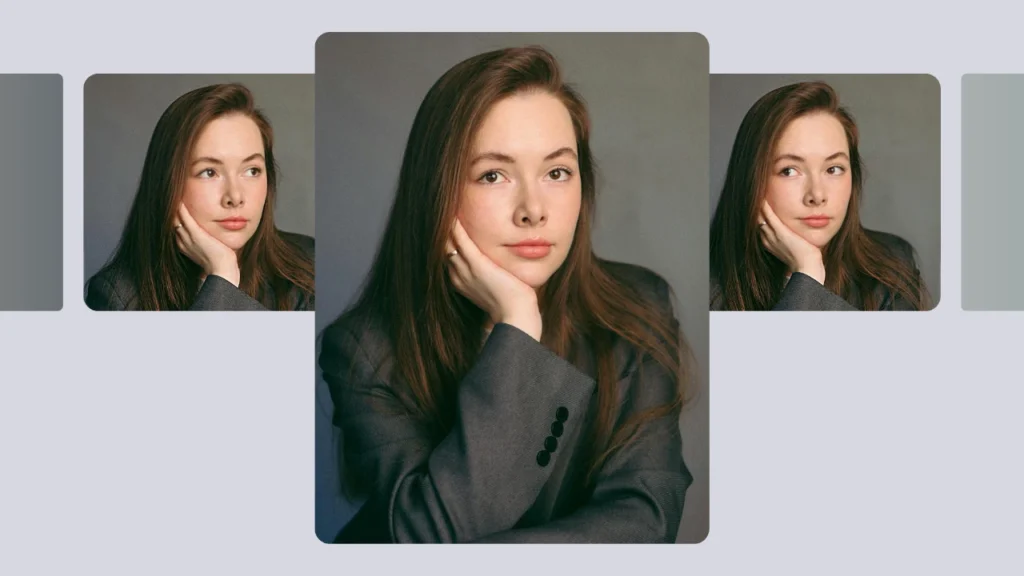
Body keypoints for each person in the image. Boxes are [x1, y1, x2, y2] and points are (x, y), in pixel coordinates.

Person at [319, 46, 694, 543]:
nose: (533, 210)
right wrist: (517, 328)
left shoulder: (638, 305)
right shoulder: (364, 350)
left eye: (557, 172)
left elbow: (647, 518)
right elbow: (431, 537)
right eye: (493, 175)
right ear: (438, 191)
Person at [86, 83, 315, 311]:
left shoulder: (309, 266)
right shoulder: (116, 296)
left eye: (252, 171)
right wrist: (223, 278)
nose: (235, 197)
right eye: (209, 172)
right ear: (168, 183)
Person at [710, 81, 930, 311]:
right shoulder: (710, 285)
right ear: (752, 179)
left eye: (833, 169)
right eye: (789, 171)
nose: (817, 195)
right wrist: (808, 275)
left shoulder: (892, 262)